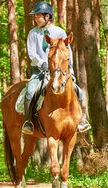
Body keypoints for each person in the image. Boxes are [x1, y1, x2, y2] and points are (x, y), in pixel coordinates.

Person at [22, 1, 91, 134]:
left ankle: (81, 120)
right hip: (39, 70)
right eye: (35, 17)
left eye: (38, 16)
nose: (35, 19)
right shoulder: (32, 33)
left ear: (47, 16)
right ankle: (28, 122)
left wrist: (69, 71)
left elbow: (67, 52)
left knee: (80, 92)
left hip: (60, 71)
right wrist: (43, 63)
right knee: (30, 92)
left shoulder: (59, 32)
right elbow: (32, 53)